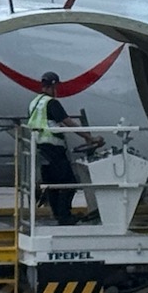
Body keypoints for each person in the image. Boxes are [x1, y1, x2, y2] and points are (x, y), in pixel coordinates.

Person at [27, 71, 102, 226]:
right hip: (53, 148)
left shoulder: (34, 103)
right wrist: (89, 137)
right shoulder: (51, 103)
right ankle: (64, 216)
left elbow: (45, 123)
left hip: (40, 148)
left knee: (53, 184)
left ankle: (59, 215)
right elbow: (67, 122)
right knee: (69, 182)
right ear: (53, 86)